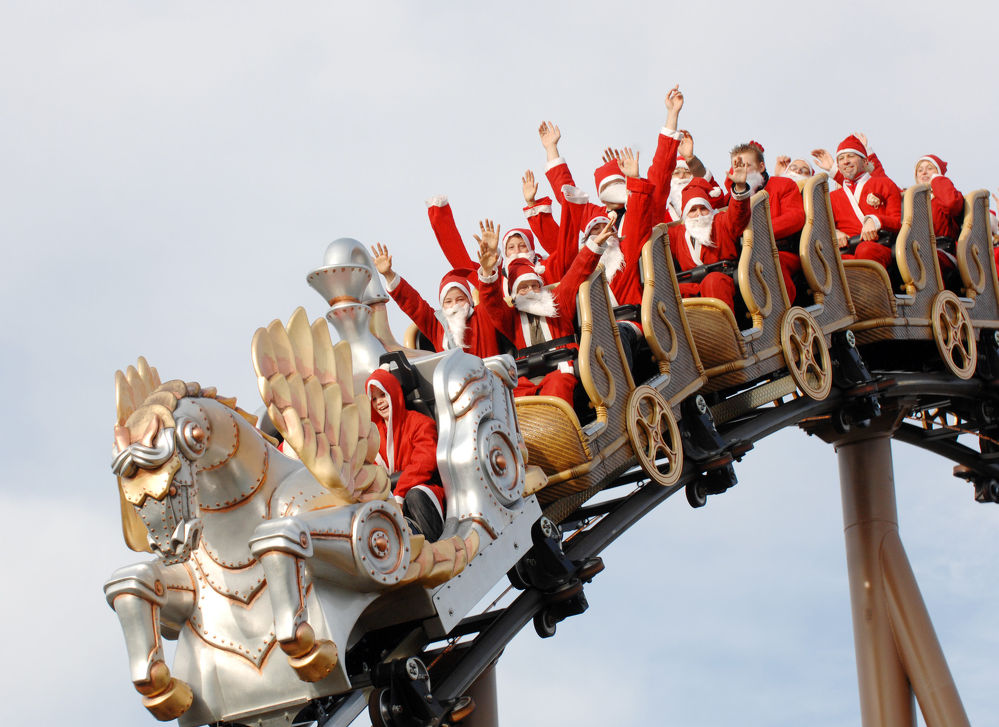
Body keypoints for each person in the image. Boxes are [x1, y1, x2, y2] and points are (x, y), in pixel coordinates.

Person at [475, 216, 616, 403]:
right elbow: (491, 301)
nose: (531, 291)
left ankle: (560, 429)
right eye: (523, 288)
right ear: (515, 294)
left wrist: (593, 245)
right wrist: (488, 271)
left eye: (535, 285)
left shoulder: (559, 302)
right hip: (526, 375)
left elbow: (577, 272)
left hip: (562, 368)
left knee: (556, 385)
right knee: (513, 396)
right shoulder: (510, 319)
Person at [371, 243, 505, 357]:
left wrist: (487, 271)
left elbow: (491, 296)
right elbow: (414, 304)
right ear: (443, 306)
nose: (455, 305)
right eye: (448, 301)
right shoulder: (437, 325)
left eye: (460, 299)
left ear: (469, 301)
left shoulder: (483, 315)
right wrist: (389, 275)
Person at [366, 368, 445, 541]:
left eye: (383, 395)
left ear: (393, 393)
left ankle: (436, 549)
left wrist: (400, 494)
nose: (379, 402)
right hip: (390, 497)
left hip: (422, 491)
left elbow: (424, 462)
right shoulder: (372, 436)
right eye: (374, 398)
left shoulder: (420, 423)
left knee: (414, 495)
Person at [726, 140, 805, 301]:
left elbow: (795, 217)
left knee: (770, 263)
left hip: (780, 250)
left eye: (747, 165)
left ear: (761, 167)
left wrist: (758, 233)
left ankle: (784, 313)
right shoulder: (734, 197)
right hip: (743, 258)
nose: (743, 171)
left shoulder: (783, 185)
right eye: (738, 167)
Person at [668, 166, 752, 314]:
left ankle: (723, 331)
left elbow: (738, 215)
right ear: (686, 214)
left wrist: (739, 187)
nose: (699, 214)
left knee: (713, 281)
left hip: (724, 278)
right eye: (693, 210)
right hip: (692, 283)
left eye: (703, 208)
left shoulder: (720, 221)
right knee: (671, 292)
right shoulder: (677, 233)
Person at [827, 134, 902, 267]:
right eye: (841, 158)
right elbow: (825, 228)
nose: (846, 161)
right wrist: (835, 232)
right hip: (845, 249)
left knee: (865, 250)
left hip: (878, 247)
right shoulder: (831, 197)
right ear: (838, 166)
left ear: (865, 162)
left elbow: (898, 222)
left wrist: (875, 220)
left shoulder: (884, 184)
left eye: (851, 156)